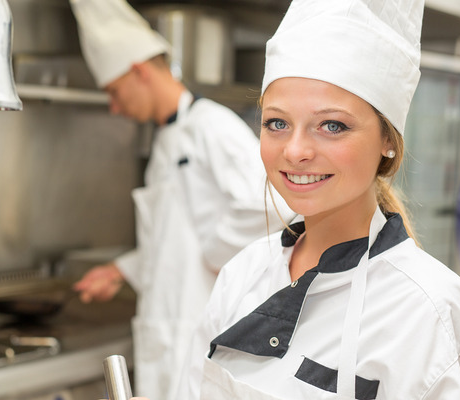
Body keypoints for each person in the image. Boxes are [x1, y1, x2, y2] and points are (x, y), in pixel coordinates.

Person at [164, 0, 460, 398]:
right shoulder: (243, 275)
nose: (295, 150)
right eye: (277, 123)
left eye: (332, 125)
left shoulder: (430, 310)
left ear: (388, 141)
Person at [68, 0, 294, 399]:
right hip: (164, 329)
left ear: (138, 71)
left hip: (198, 328)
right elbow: (173, 241)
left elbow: (273, 200)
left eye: (115, 92)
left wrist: (214, 252)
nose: (115, 107)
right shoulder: (165, 143)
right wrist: (121, 271)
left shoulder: (211, 125)